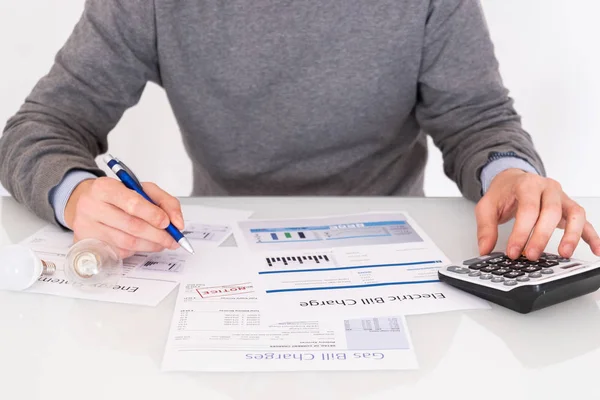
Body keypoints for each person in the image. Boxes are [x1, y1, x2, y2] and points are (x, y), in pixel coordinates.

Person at [1, 0, 598, 261]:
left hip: (394, 262)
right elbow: (43, 126)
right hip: (216, 261)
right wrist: (75, 194)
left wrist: (511, 175)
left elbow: (478, 120)